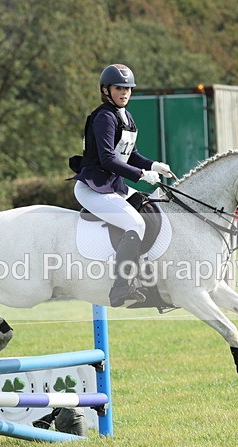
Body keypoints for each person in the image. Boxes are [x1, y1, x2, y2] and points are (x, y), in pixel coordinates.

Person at [68, 64, 175, 307]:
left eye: (128, 89)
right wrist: (141, 175)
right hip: (94, 188)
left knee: (152, 208)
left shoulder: (125, 115)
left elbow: (131, 154)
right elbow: (107, 159)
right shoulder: (104, 116)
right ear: (106, 90)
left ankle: (150, 284)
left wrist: (153, 165)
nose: (125, 93)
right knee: (135, 222)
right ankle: (120, 288)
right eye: (119, 88)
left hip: (114, 187)